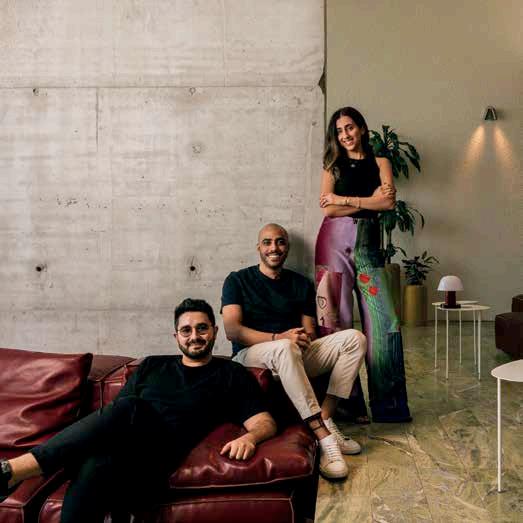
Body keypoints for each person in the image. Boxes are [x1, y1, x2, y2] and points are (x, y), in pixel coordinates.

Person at [0, 299, 277, 521]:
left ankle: (11, 471)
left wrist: (249, 438)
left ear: (214, 331)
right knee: (94, 462)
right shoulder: (152, 365)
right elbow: (114, 418)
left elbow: (264, 422)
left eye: (202, 328)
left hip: (156, 457)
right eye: (186, 330)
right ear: (176, 336)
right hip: (118, 454)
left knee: (130, 407)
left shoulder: (231, 373)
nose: (195, 336)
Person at [221, 223, 367, 480]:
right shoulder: (237, 280)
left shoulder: (301, 283)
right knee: (285, 347)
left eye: (280, 242)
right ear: (258, 248)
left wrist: (303, 338)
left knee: (355, 338)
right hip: (250, 357)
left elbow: (309, 330)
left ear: (287, 247)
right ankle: (324, 438)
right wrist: (280, 337)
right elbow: (232, 330)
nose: (274, 248)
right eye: (267, 242)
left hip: (291, 352)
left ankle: (326, 416)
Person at [315, 106, 411, 423]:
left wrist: (345, 200)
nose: (345, 135)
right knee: (334, 321)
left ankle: (389, 406)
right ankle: (346, 405)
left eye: (350, 127)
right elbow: (328, 211)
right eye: (339, 131)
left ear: (362, 128)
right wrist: (367, 201)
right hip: (332, 245)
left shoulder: (381, 163)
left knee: (385, 322)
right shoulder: (332, 166)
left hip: (369, 246)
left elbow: (387, 202)